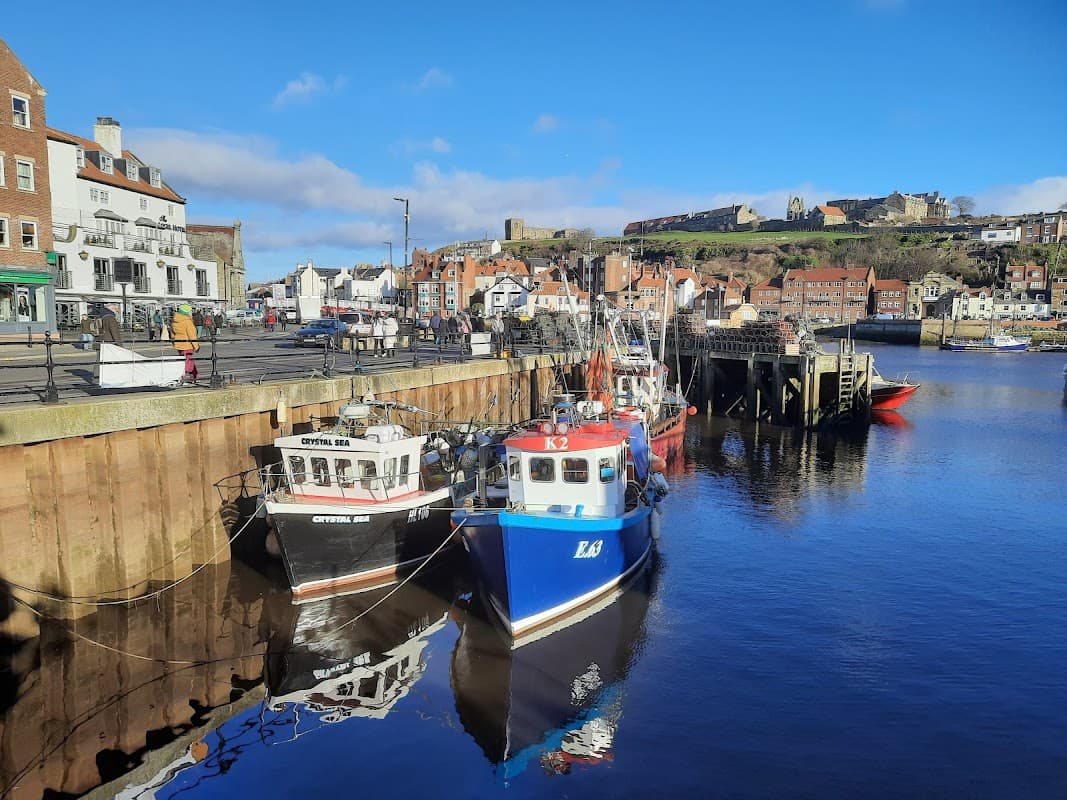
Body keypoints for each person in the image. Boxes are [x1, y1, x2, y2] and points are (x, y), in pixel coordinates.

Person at [172, 304, 200, 383]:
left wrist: (174, 342)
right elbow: (192, 335)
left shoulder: (175, 321)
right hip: (187, 345)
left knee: (185, 360)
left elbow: (173, 334)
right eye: (190, 311)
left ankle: (195, 375)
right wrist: (196, 346)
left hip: (179, 344)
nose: (191, 313)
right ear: (187, 312)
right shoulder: (187, 322)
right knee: (188, 361)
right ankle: (186, 377)